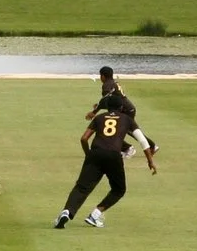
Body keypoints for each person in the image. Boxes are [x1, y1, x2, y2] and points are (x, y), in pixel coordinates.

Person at [55, 92, 156, 229]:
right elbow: (143, 141)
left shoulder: (99, 118)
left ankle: (66, 212)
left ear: (107, 107)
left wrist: (88, 154)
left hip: (95, 154)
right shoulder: (127, 119)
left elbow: (84, 138)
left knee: (81, 187)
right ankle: (95, 215)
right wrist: (150, 161)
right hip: (114, 156)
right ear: (121, 108)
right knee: (119, 189)